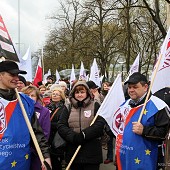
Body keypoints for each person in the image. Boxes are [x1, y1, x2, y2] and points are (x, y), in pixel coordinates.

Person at [0, 60, 51, 170]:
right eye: (12, 74)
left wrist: (45, 157)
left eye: (17, 75)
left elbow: (37, 132)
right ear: (0, 75)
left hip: (21, 163)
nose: (17, 78)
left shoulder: (26, 102)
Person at [115, 72, 170, 170]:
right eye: (129, 87)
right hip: (125, 158)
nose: (131, 90)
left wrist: (144, 130)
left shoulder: (158, 106)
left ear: (145, 87)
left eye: (135, 87)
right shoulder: (125, 105)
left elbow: (163, 133)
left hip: (147, 160)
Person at [57, 80, 106, 170]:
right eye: (77, 92)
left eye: (82, 92)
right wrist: (73, 136)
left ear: (87, 92)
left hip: (92, 152)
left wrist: (84, 135)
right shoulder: (68, 107)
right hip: (73, 151)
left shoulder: (95, 105)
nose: (79, 95)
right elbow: (61, 125)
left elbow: (100, 124)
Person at [21, 85, 51, 170]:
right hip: (22, 149)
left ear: (37, 97)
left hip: (36, 151)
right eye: (27, 95)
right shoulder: (18, 110)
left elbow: (45, 133)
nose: (29, 98)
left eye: (32, 95)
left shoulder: (43, 111)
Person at [46, 87, 67, 170]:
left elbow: (61, 124)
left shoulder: (63, 108)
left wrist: (47, 124)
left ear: (61, 97)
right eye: (53, 94)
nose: (54, 96)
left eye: (57, 94)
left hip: (57, 137)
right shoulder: (47, 107)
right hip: (48, 136)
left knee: (56, 160)